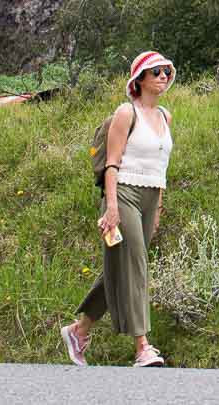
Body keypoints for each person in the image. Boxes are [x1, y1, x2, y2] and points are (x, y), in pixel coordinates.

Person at [61, 51, 176, 367]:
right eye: (156, 72)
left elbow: (160, 167)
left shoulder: (165, 116)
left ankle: (79, 330)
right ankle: (142, 347)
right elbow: (111, 165)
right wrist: (111, 208)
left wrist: (159, 209)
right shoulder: (127, 113)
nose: (163, 76)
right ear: (139, 79)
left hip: (151, 197)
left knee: (120, 268)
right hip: (123, 193)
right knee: (136, 266)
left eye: (167, 71)